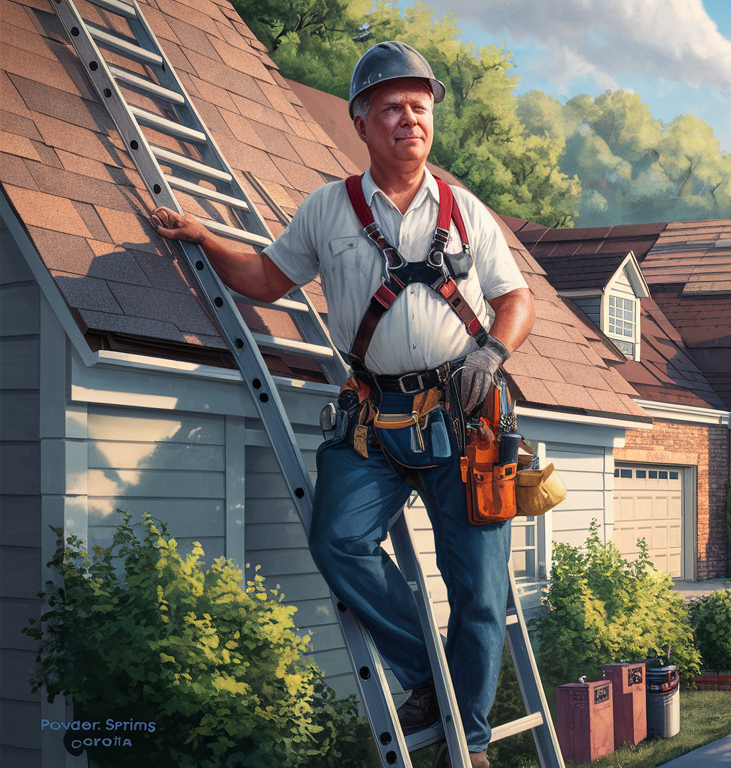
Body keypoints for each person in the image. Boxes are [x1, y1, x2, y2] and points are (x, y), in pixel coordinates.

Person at [150, 41, 534, 768]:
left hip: (466, 419)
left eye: (419, 106)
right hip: (373, 420)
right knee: (338, 541)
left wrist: (492, 354)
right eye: (392, 107)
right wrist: (205, 237)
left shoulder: (465, 210)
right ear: (360, 122)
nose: (410, 118)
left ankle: (472, 744)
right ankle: (430, 677)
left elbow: (517, 299)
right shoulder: (329, 209)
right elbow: (266, 278)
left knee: (479, 590)